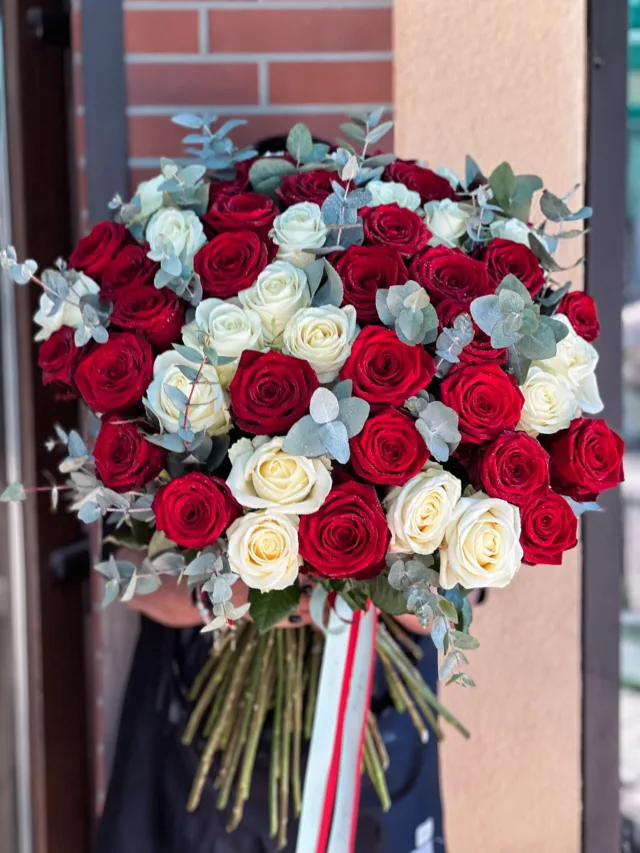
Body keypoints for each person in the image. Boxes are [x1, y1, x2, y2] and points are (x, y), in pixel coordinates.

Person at [94, 136, 446, 853]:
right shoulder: (173, 400)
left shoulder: (418, 410)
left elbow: (448, 604)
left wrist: (354, 581)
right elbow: (125, 574)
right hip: (213, 731)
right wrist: (231, 597)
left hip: (372, 722)